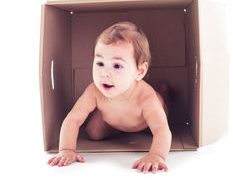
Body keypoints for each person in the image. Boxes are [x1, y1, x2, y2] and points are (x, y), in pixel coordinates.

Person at [47, 21, 172, 173]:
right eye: (100, 63)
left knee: (163, 116)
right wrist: (66, 149)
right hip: (115, 121)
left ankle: (165, 94)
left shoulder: (146, 97)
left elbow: (161, 130)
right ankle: (120, 129)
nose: (104, 73)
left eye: (117, 66)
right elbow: (73, 119)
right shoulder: (94, 91)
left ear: (140, 72)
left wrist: (156, 155)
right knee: (93, 132)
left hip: (144, 122)